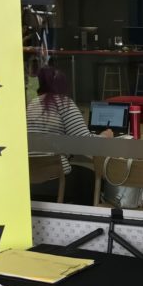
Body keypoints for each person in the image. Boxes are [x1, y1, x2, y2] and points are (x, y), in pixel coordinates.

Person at [25, 65, 111, 204]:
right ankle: (82, 222)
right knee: (91, 178)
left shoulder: (29, 105)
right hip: (54, 180)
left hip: (27, 182)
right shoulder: (63, 103)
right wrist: (106, 136)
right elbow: (85, 144)